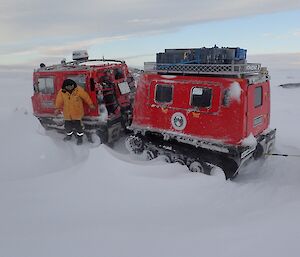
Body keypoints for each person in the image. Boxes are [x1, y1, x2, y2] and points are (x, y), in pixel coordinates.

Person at [55, 79, 95, 145]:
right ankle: (69, 136)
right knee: (68, 127)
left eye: (72, 85)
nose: (71, 87)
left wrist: (90, 104)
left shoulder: (78, 90)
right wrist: (57, 108)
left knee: (79, 128)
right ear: (65, 86)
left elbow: (86, 97)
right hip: (67, 114)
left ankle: (80, 138)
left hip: (77, 114)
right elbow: (58, 101)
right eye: (69, 86)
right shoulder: (62, 92)